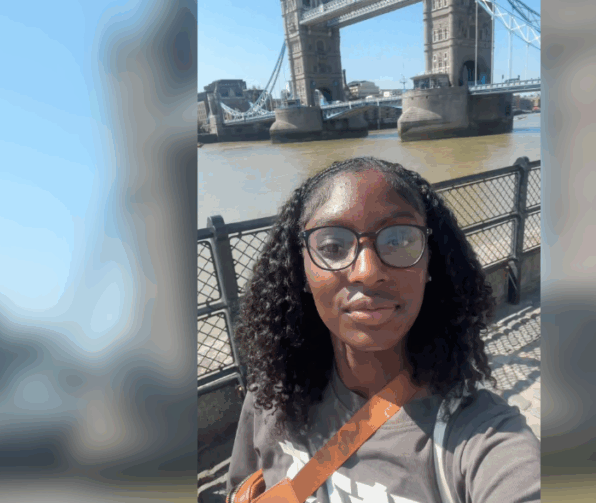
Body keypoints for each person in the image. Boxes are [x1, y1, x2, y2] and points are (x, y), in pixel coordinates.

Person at [226, 157, 542, 502]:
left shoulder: (479, 439)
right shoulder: (271, 397)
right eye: (332, 246)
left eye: (399, 240)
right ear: (300, 269)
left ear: (430, 262)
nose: (367, 270)